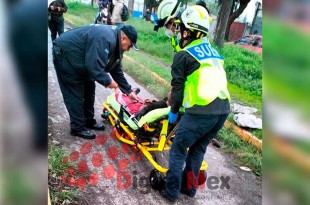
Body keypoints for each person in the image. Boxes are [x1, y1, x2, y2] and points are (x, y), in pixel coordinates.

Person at [159, 6, 231, 202]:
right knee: (198, 149)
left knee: (178, 149)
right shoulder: (214, 53)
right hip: (223, 111)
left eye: (180, 28)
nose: (177, 31)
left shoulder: (182, 55)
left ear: (187, 31)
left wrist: (173, 111)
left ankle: (171, 192)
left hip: (201, 111)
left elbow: (178, 90)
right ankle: (189, 189)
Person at [52, 25, 139, 140]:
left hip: (82, 58)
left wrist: (128, 91)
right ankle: (77, 128)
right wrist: (109, 82)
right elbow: (94, 67)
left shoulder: (116, 44)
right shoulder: (105, 38)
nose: (128, 49)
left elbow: (116, 69)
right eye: (130, 46)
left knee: (89, 88)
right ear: (124, 38)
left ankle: (88, 121)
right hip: (65, 53)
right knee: (75, 91)